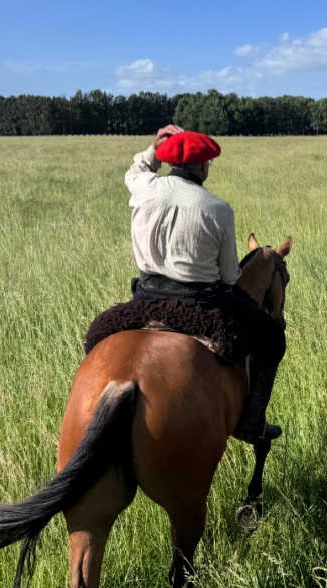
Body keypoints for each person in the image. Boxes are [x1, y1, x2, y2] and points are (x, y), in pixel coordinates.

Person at [125, 124, 284, 445]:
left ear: (170, 160)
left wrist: (156, 148)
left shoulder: (144, 186)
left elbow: (137, 169)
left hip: (146, 295)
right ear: (202, 167)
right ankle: (252, 423)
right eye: (208, 163)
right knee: (272, 337)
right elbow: (228, 277)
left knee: (100, 335)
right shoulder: (217, 209)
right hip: (199, 301)